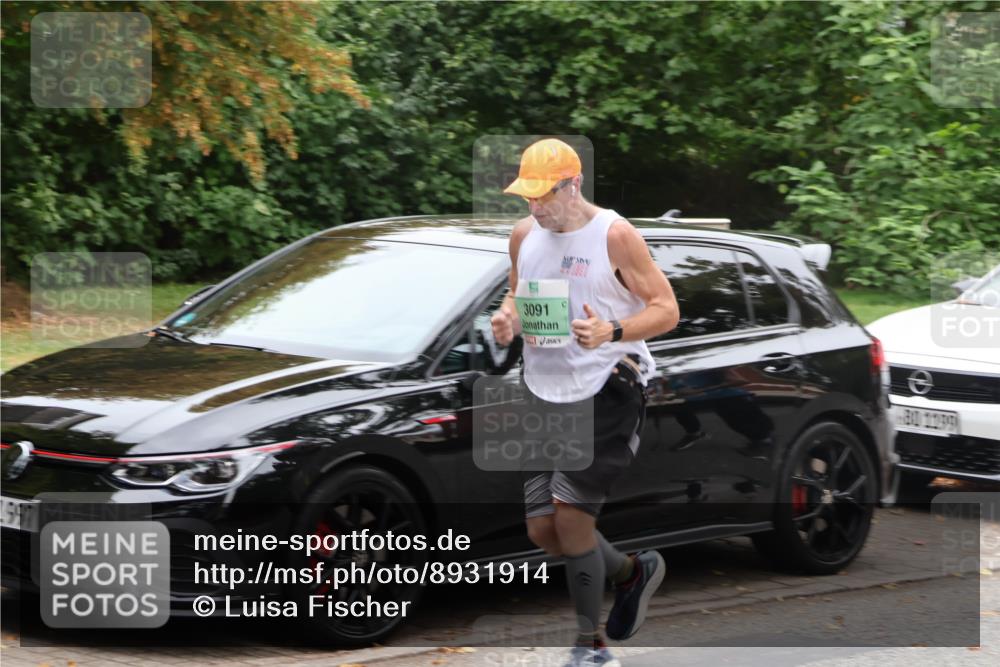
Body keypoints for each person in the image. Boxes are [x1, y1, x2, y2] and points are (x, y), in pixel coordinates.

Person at [491, 138, 680, 667]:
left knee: (572, 521)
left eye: (543, 196)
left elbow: (666, 310)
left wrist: (612, 330)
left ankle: (588, 649)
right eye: (526, 196)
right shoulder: (524, 235)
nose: (534, 207)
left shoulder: (615, 235)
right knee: (540, 528)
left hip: (606, 386)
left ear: (573, 186)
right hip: (543, 388)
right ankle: (630, 572)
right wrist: (507, 318)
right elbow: (516, 291)